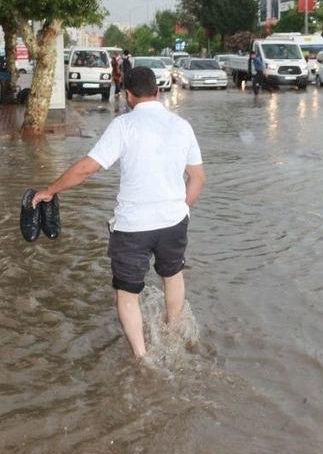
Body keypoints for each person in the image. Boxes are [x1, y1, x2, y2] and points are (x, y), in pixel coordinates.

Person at [31, 67, 205, 359]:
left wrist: (51, 189)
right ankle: (174, 335)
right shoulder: (181, 125)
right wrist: (181, 210)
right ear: (158, 91)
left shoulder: (124, 126)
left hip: (133, 227)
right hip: (174, 222)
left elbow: (88, 167)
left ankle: (141, 357)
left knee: (127, 293)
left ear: (128, 95)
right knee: (173, 276)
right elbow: (198, 178)